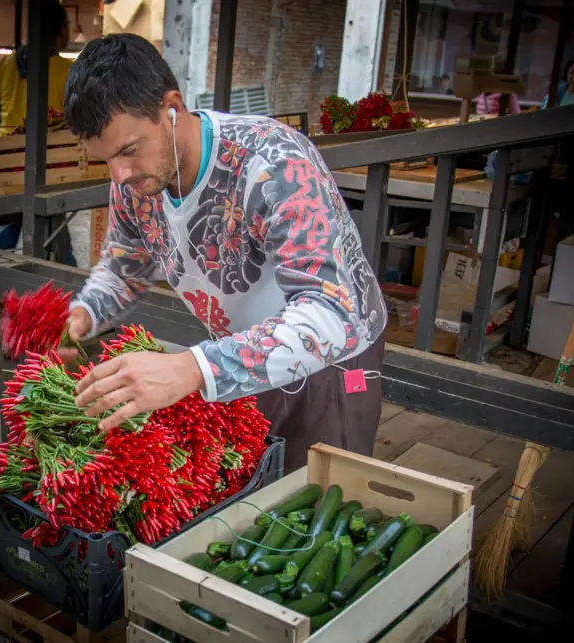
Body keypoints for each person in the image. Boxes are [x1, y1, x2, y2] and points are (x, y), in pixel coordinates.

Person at [60, 34, 388, 474]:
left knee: (318, 501)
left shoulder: (273, 163)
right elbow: (124, 271)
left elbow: (332, 311)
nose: (119, 174)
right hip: (237, 355)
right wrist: (80, 318)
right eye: (106, 160)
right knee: (254, 493)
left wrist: (194, 368)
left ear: (171, 109)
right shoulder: (134, 183)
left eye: (129, 151)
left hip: (328, 363)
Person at [0, 0, 76, 265]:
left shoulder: (10, 62)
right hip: (49, 166)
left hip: (4, 161)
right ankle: (69, 289)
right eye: (68, 26)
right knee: (54, 234)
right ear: (59, 30)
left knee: (3, 242)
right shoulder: (67, 71)